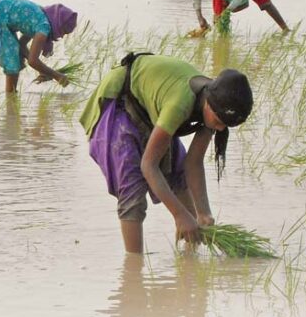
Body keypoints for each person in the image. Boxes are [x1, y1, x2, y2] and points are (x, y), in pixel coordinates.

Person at [79, 53, 253, 253]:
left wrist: (203, 213)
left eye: (226, 125)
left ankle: (190, 260)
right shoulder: (180, 104)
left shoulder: (214, 108)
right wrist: (180, 215)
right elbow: (149, 165)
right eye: (220, 122)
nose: (220, 129)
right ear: (208, 103)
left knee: (178, 174)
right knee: (133, 190)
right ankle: (134, 271)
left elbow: (193, 163)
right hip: (121, 100)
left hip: (150, 112)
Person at [0, 0, 77, 100]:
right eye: (63, 31)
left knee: (13, 60)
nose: (61, 35)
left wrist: (44, 71)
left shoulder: (39, 17)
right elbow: (33, 61)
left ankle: (11, 98)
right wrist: (57, 75)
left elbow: (21, 46)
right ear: (57, 23)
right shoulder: (43, 26)